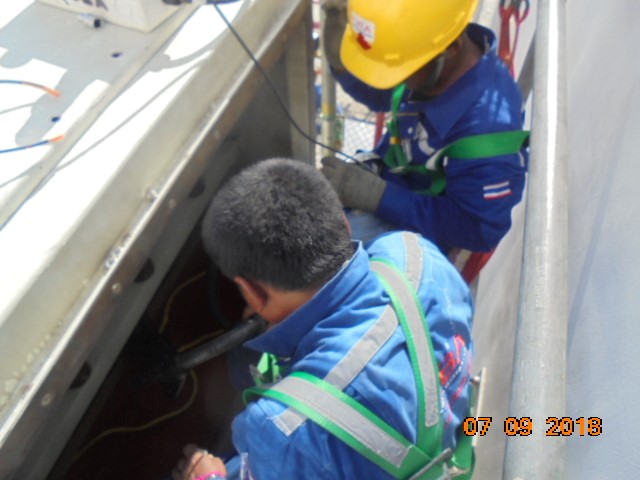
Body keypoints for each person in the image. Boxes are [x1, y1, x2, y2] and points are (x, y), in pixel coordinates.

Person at [172, 158, 474, 480]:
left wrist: (207, 477)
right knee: (241, 364)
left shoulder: (278, 428)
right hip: (451, 441)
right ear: (345, 223)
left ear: (252, 294)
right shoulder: (414, 253)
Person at [319, 0, 529, 255]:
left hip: (418, 231)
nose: (396, 79)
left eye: (398, 70)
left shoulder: (487, 133)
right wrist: (343, 67)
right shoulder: (424, 51)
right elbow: (382, 93)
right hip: (392, 181)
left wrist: (378, 196)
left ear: (451, 48)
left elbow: (479, 230)